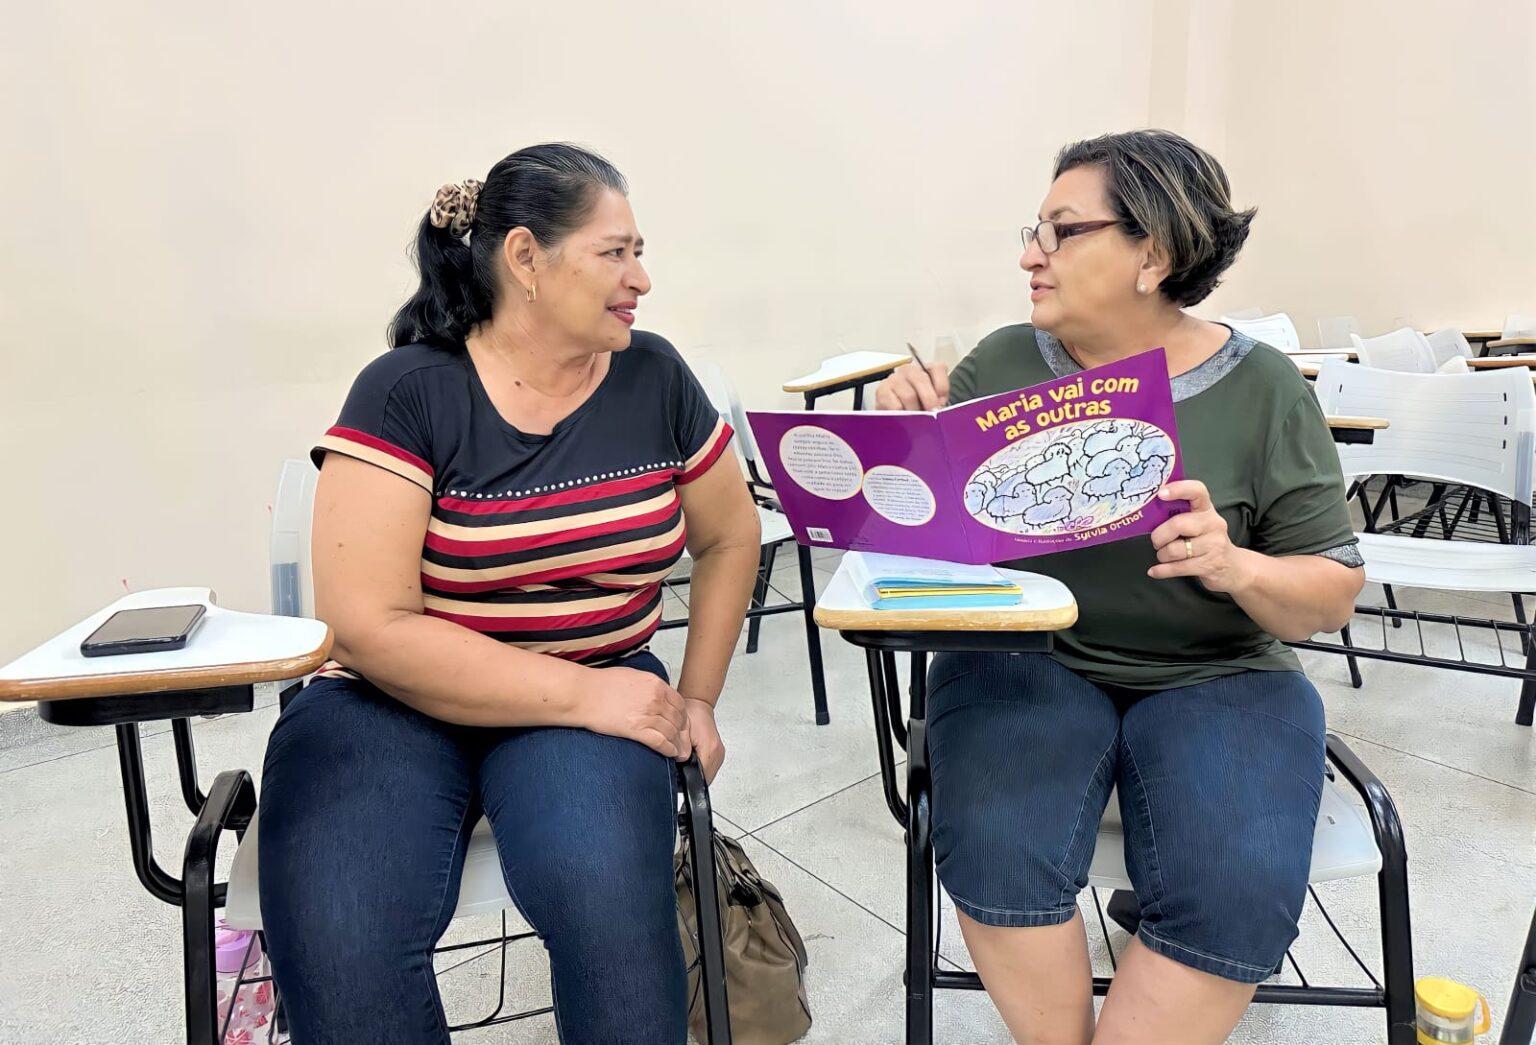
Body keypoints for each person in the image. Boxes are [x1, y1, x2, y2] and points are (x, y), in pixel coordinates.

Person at [257, 143, 761, 1043]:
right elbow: (367, 627)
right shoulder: (409, 391)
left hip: (591, 686)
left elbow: (731, 534)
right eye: (615, 252)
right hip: (392, 703)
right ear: (526, 258)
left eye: (640, 250)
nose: (641, 278)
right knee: (346, 936)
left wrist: (699, 697)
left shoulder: (653, 377)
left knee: (612, 912)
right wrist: (587, 692)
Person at [875, 129, 1364, 1045]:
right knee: (999, 843)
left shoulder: (1262, 390)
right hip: (1028, 656)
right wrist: (906, 452)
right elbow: (923, 557)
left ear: (1156, 253)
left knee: (1238, 880)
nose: (1031, 253)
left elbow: (1331, 593)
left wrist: (1234, 563)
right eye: (1034, 229)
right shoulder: (1002, 365)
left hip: (1221, 668)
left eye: (1062, 231)